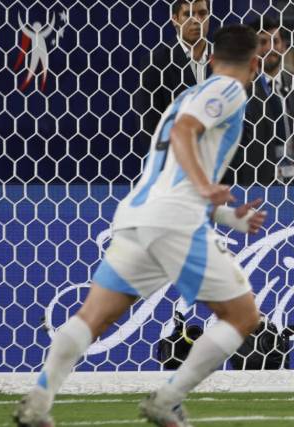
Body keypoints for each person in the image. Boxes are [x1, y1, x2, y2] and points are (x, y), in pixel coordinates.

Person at [14, 25, 266, 427]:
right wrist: (204, 185)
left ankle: (38, 403)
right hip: (175, 221)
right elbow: (186, 135)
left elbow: (170, 168)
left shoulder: (182, 98)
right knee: (242, 316)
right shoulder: (230, 90)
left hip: (137, 215)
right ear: (254, 62)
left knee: (92, 316)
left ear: (211, 56)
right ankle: (167, 400)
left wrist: (226, 216)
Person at [224, 16, 294, 185]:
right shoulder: (241, 89)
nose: (270, 48)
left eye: (275, 41)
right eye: (263, 42)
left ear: (284, 47)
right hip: (259, 186)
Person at [134, 0, 213, 152]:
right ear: (175, 19)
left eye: (202, 13)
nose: (196, 20)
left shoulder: (225, 60)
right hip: (177, 164)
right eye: (188, 14)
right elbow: (148, 127)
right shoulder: (156, 63)